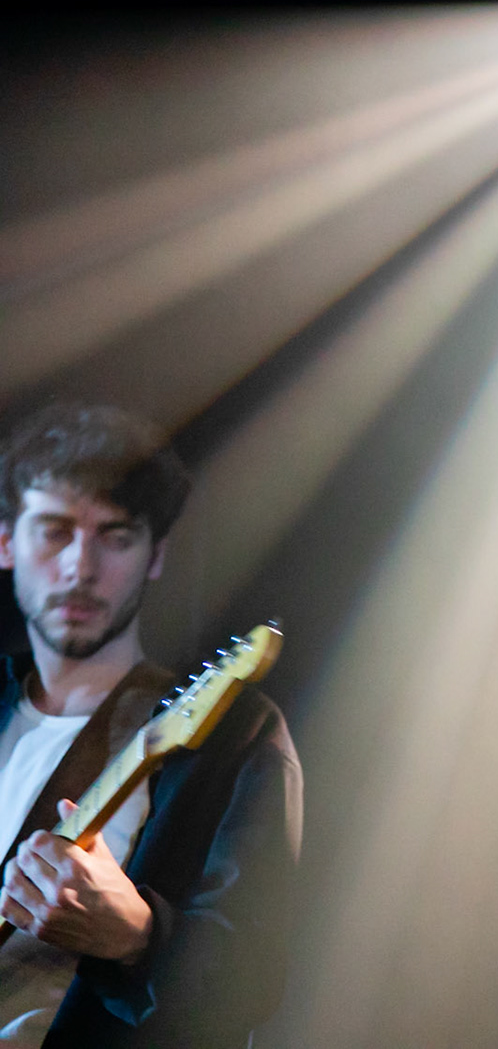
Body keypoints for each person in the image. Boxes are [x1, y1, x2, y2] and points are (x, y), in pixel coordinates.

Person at [0, 403, 301, 1047]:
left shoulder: (231, 733)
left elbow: (254, 981)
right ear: (5, 542)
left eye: (115, 535)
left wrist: (138, 935)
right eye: (54, 530)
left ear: (155, 555)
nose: (81, 568)